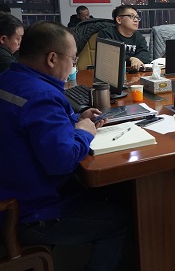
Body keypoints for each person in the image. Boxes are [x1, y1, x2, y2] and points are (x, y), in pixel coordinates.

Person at [0, 21, 131, 270]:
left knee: (109, 193)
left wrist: (75, 119)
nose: (72, 66)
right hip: (29, 214)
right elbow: (62, 162)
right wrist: (83, 133)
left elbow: (34, 125)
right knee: (120, 221)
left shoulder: (9, 79)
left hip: (11, 193)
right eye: (72, 60)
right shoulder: (42, 96)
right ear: (52, 58)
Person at [98, 5, 150, 70]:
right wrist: (131, 59)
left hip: (133, 72)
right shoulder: (107, 34)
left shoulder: (139, 36)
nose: (136, 20)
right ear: (119, 20)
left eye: (137, 17)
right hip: (112, 71)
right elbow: (110, 56)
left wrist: (136, 60)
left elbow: (145, 55)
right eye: (131, 16)